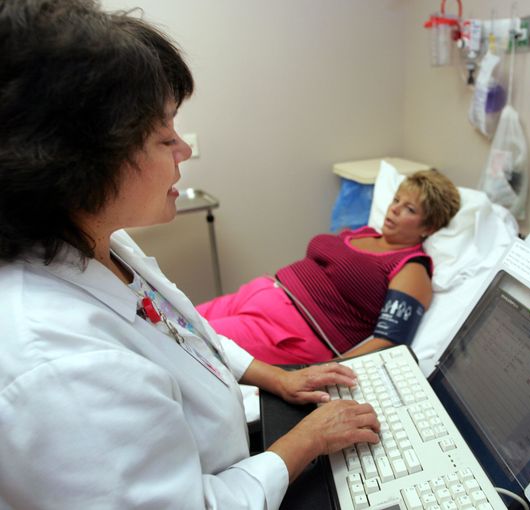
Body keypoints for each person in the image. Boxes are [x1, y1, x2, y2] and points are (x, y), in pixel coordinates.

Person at [0, 1, 380, 508]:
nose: (183, 149)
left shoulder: (98, 244)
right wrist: (306, 440)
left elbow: (184, 332)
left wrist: (276, 377)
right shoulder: (63, 364)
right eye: (163, 135)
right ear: (79, 161)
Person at [197, 170, 461, 365]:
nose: (394, 210)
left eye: (410, 209)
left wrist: (329, 370)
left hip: (289, 333)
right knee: (166, 319)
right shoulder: (364, 233)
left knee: (184, 344)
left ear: (429, 227)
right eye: (396, 201)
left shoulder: (411, 268)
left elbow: (390, 341)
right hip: (255, 296)